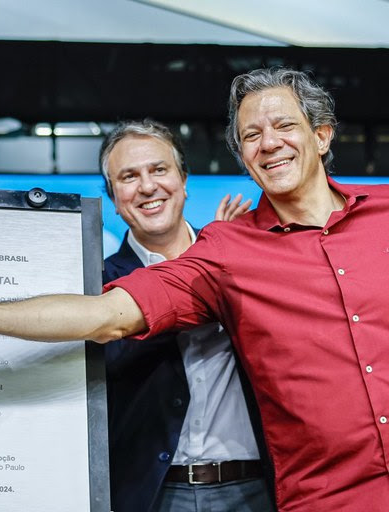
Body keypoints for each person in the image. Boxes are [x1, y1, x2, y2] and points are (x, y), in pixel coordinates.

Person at [0, 68, 389, 511]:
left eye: (284, 125)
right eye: (251, 134)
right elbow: (103, 316)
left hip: (258, 486)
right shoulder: (227, 253)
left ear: (323, 137)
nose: (269, 142)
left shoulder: (380, 217)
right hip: (286, 497)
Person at [100, 119, 272, 511]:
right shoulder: (96, 284)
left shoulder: (240, 262)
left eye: (159, 169)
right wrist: (205, 267)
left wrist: (225, 259)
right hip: (153, 493)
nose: (147, 186)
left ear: (183, 179)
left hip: (252, 488)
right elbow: (110, 361)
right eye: (129, 176)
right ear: (113, 197)